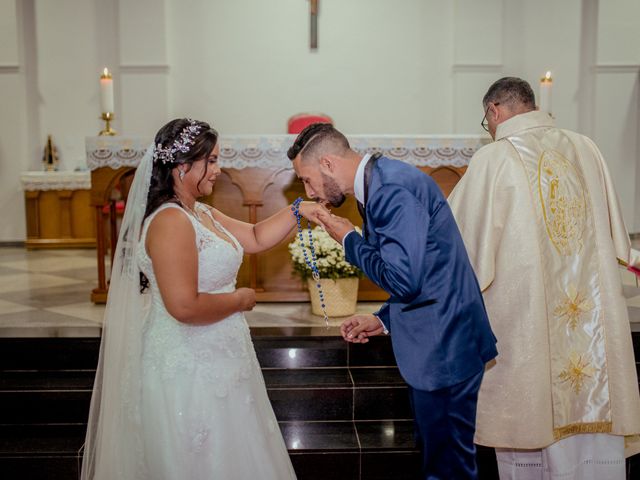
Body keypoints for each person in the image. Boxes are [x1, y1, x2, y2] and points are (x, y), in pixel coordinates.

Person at [81, 118, 326, 479]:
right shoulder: (170, 221)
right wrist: (240, 299)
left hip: (221, 361)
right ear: (182, 167)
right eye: (210, 160)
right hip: (187, 368)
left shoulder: (200, 212)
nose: (219, 169)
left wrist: (297, 210)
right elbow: (184, 306)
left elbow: (256, 237)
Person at [447, 77, 640, 479]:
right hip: (592, 327)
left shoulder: (493, 159)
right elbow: (618, 238)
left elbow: (457, 242)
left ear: (494, 112)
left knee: (530, 420)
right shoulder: (587, 147)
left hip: (526, 321)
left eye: (488, 122)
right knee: (591, 406)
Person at [287, 123, 498, 479]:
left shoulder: (391, 189)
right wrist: (383, 319)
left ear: (326, 163)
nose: (312, 193)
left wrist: (349, 241)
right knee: (440, 458)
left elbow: (404, 278)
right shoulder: (380, 181)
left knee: (449, 468)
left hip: (443, 345)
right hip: (439, 334)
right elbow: (427, 267)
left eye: (308, 180)